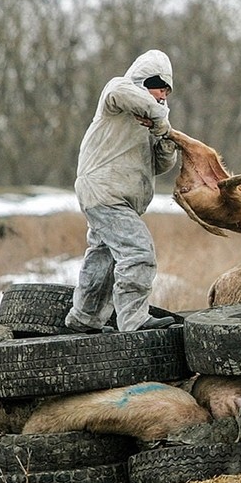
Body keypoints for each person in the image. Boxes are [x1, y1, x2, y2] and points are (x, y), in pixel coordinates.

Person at [64, 49, 180, 333]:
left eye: (166, 91)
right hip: (105, 194)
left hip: (118, 200)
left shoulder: (153, 119)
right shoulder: (117, 94)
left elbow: (162, 164)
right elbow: (123, 91)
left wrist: (162, 136)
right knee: (138, 253)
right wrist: (159, 118)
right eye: (158, 87)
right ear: (143, 83)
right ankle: (134, 321)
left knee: (102, 259)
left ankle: (84, 319)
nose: (162, 96)